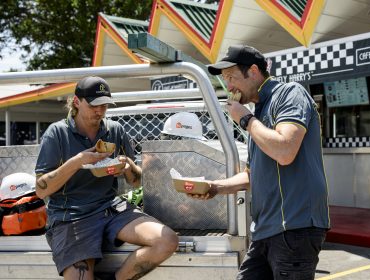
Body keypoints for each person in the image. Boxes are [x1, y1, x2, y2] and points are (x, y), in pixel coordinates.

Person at [192, 45, 330, 280]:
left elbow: (285, 150)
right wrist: (215, 187)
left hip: (294, 228)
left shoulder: (289, 94)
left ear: (254, 71)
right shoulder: (259, 112)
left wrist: (245, 119)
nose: (229, 87)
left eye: (232, 77)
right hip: (266, 231)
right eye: (225, 80)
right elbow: (252, 174)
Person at [35, 76, 178, 280]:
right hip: (71, 215)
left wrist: (127, 166)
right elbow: (41, 190)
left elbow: (136, 182)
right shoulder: (57, 133)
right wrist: (78, 161)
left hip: (111, 207)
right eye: (94, 105)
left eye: (105, 105)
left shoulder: (114, 130)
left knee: (167, 241)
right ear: (76, 102)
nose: (100, 111)